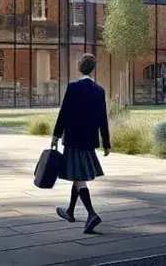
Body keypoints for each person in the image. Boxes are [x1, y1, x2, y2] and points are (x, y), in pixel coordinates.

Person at [52, 52, 112, 234]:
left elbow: (63, 114)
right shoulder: (99, 91)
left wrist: (55, 136)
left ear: (79, 67)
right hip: (88, 140)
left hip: (73, 139)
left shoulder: (73, 88)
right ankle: (70, 211)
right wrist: (106, 142)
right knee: (79, 176)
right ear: (93, 70)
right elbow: (103, 118)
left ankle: (92, 214)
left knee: (79, 178)